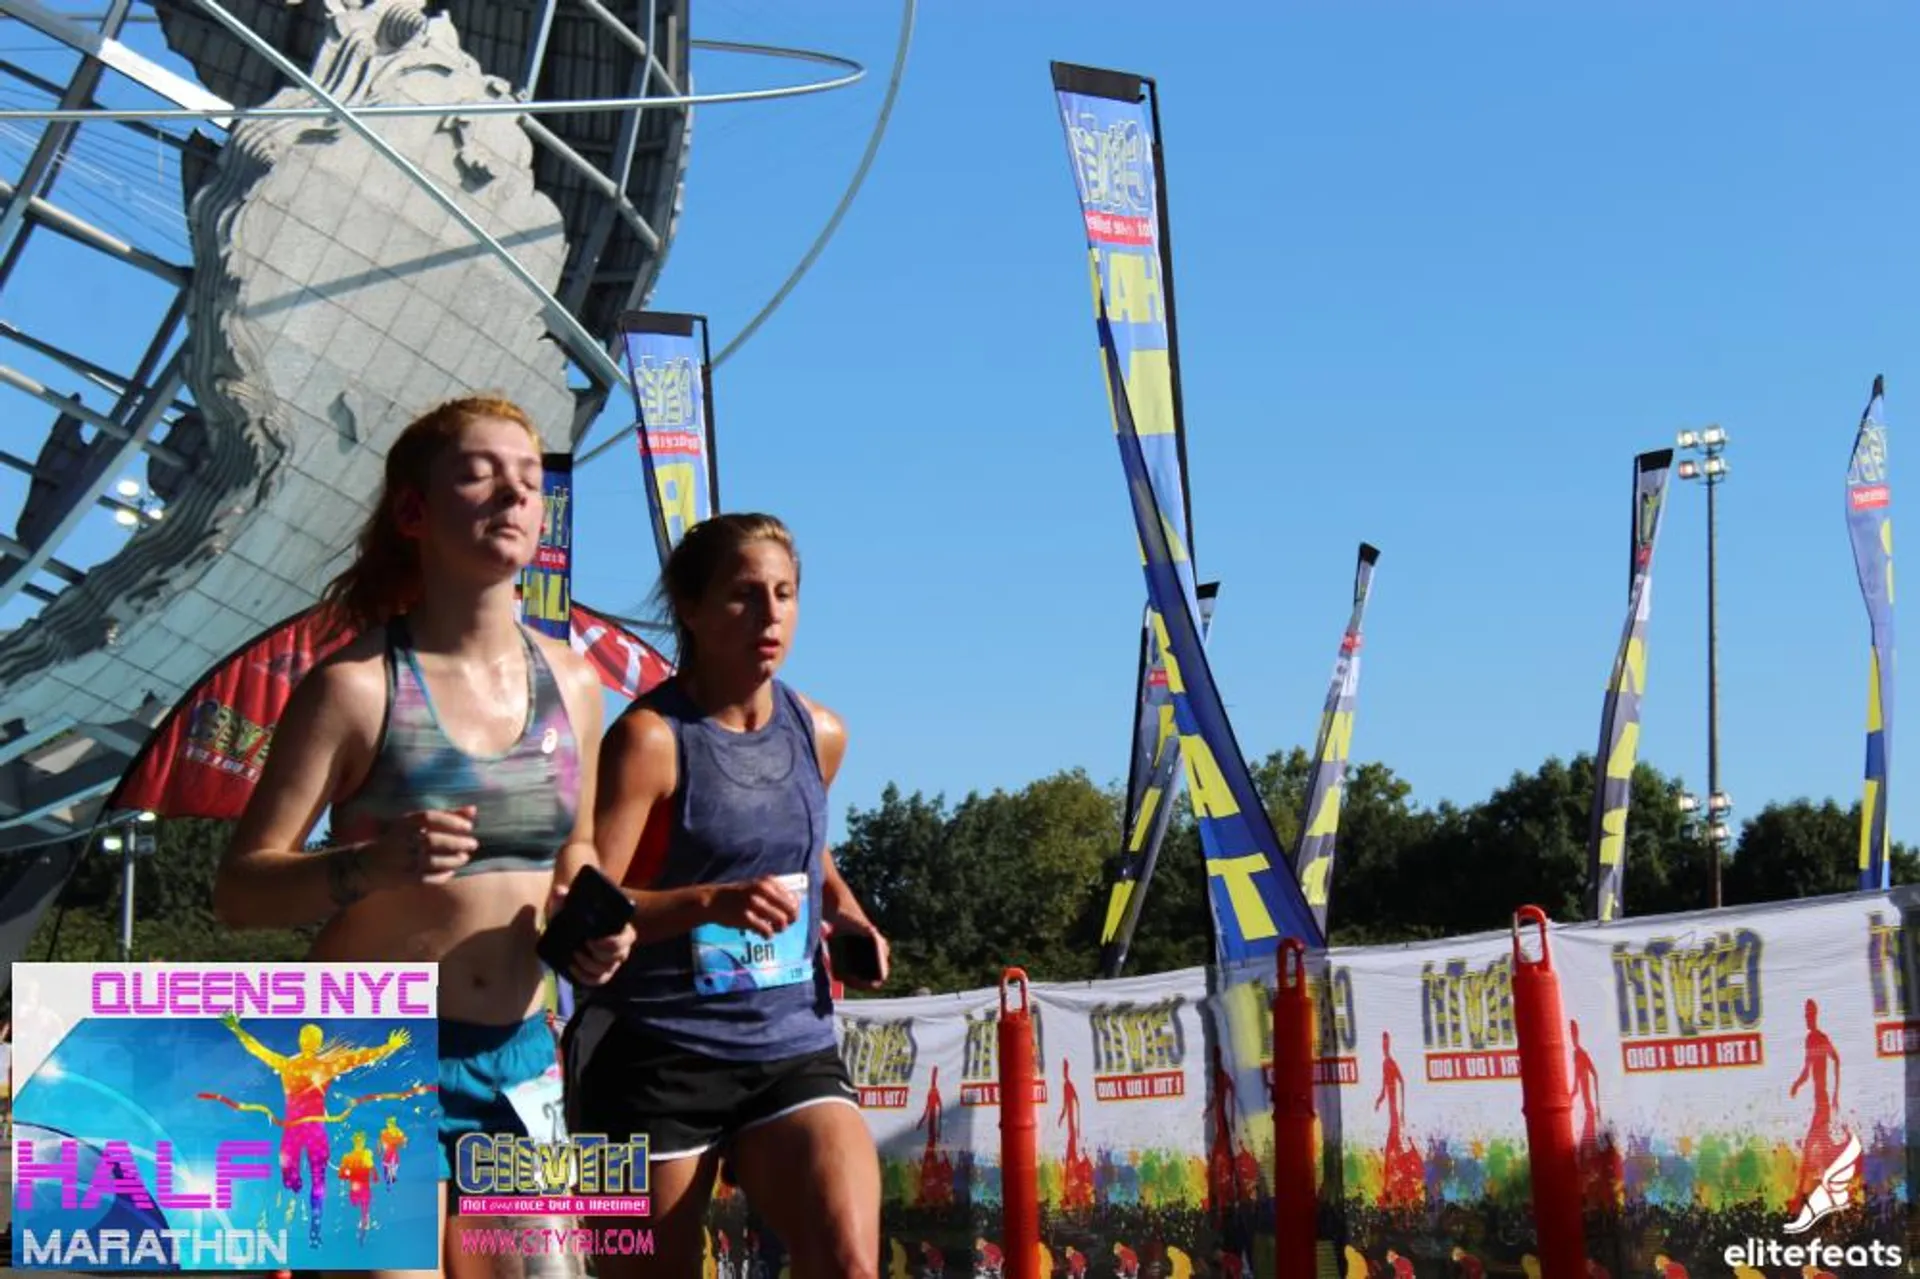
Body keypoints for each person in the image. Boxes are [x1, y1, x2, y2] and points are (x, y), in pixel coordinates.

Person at [214, 395, 633, 1278]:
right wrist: (366, 866)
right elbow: (239, 890)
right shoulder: (355, 687)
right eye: (480, 473)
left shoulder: (576, 683)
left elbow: (579, 847)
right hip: (367, 1052)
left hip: (518, 1053)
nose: (513, 495)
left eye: (530, 481)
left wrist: (593, 918)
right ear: (413, 511)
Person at [563, 512, 890, 1279]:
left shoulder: (821, 731)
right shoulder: (648, 739)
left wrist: (849, 913)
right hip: (650, 1052)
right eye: (744, 594)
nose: (770, 614)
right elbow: (584, 910)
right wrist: (709, 902)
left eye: (785, 593)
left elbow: (804, 850)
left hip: (789, 1045)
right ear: (690, 607)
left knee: (849, 1263)